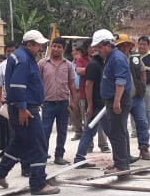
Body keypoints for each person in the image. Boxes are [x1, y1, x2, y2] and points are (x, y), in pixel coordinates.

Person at [0, 29, 60, 196]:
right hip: (25, 108)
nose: (41, 48)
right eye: (38, 45)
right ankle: (38, 183)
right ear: (29, 44)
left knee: (20, 143)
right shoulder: (23, 60)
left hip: (23, 106)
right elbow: (17, 85)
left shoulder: (22, 57)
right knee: (38, 145)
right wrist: (23, 107)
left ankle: (0, 172)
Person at [94, 29, 132, 174]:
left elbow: (120, 82)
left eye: (99, 47)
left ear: (107, 45)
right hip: (113, 100)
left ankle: (121, 165)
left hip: (119, 100)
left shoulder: (116, 58)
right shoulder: (112, 57)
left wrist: (117, 102)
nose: (98, 51)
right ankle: (120, 161)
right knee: (117, 132)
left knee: (117, 133)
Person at [38, 37, 78, 166]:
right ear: (50, 47)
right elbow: (37, 83)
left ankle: (59, 156)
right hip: (47, 104)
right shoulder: (42, 64)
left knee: (62, 131)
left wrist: (74, 102)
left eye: (59, 47)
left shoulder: (68, 65)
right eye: (54, 46)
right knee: (45, 131)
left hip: (63, 104)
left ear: (63, 49)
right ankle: (42, 156)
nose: (55, 49)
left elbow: (72, 84)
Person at [73, 42, 110, 164]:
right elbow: (88, 85)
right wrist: (90, 106)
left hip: (98, 104)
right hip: (97, 105)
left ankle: (79, 157)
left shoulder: (100, 63)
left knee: (89, 131)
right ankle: (123, 156)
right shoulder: (94, 65)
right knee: (112, 132)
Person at [116, 34, 150, 161]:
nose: (124, 48)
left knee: (142, 123)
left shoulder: (135, 57)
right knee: (122, 127)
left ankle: (144, 148)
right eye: (122, 45)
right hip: (122, 99)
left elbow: (142, 70)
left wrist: (142, 83)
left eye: (126, 45)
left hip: (137, 97)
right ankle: (125, 153)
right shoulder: (114, 59)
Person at [69, 46, 88, 140]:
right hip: (73, 90)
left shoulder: (83, 63)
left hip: (83, 90)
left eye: (77, 51)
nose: (75, 53)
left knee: (84, 111)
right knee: (74, 112)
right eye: (73, 51)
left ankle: (86, 132)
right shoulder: (70, 64)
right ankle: (78, 131)